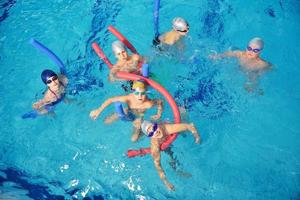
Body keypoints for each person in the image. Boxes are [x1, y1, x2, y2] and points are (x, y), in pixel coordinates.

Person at [89, 80, 163, 142]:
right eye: (137, 93)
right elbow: (111, 99)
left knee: (133, 139)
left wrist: (159, 113)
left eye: (143, 93)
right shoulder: (128, 98)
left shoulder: (148, 104)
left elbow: (160, 102)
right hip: (127, 111)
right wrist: (98, 110)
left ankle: (142, 132)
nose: (140, 96)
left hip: (139, 117)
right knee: (106, 122)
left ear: (146, 93)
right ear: (133, 93)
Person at [140, 120, 200, 191]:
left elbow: (189, 125)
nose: (155, 132)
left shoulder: (166, 128)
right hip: (164, 145)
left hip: (169, 131)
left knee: (183, 131)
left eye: (155, 127)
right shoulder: (155, 145)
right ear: (150, 136)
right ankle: (179, 172)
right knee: (171, 157)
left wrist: (197, 138)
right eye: (151, 133)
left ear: (157, 125)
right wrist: (166, 183)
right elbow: (158, 165)